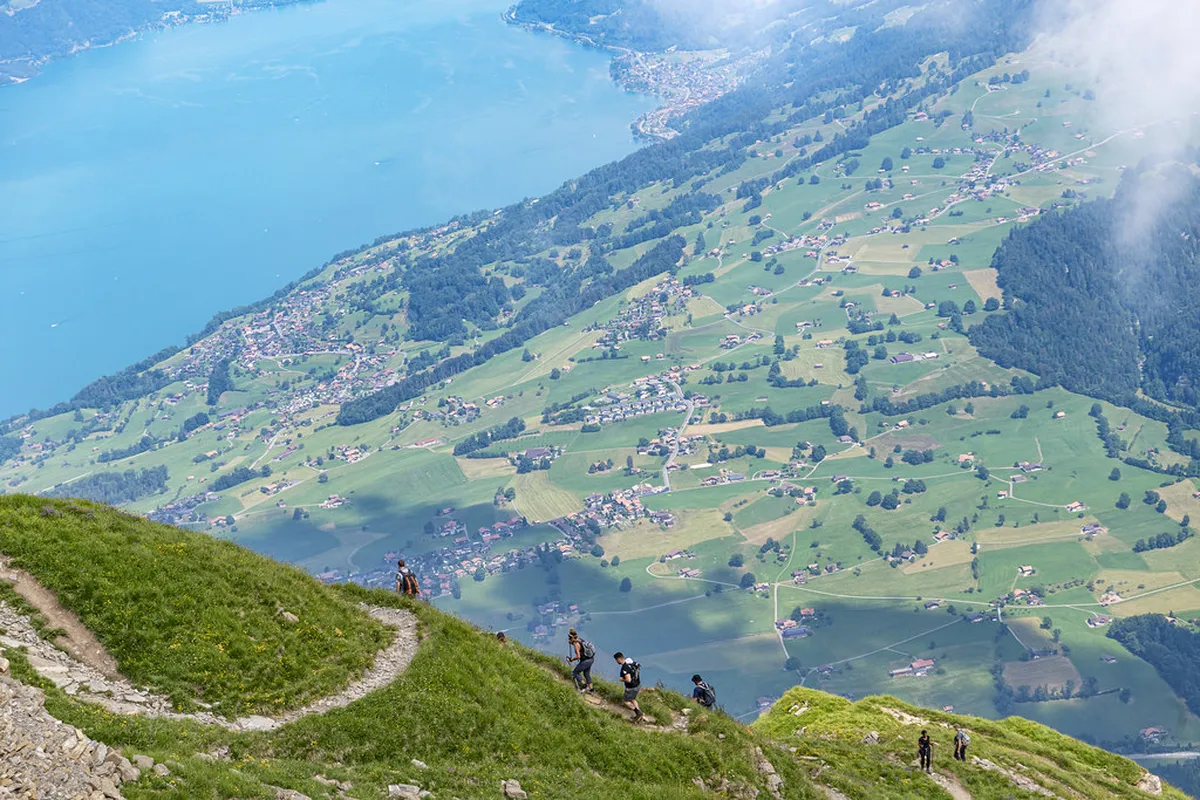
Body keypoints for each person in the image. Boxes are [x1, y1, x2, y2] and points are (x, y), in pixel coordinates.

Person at [613, 651, 644, 722]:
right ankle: (640, 715)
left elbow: (628, 679)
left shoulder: (625, 667)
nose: (616, 661)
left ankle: (638, 712)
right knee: (633, 699)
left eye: (616, 660)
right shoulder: (631, 663)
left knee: (626, 701)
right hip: (637, 685)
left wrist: (622, 679)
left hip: (631, 687)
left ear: (619, 659)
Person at [566, 628, 595, 693]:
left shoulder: (576, 644)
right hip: (590, 659)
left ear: (572, 638)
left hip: (585, 661)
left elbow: (578, 656)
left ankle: (585, 686)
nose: (568, 640)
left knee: (575, 673)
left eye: (569, 638)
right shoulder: (580, 640)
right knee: (586, 674)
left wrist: (571, 659)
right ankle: (591, 690)